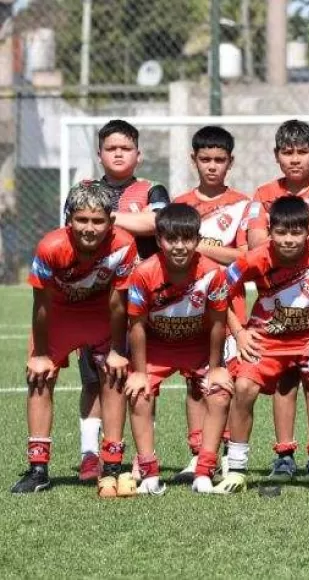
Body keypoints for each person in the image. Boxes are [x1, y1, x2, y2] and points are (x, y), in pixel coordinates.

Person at [210, 196, 309, 495]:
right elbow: (218, 291)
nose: (288, 240)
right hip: (266, 340)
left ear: (308, 232)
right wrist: (238, 332)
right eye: (281, 232)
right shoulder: (254, 259)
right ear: (269, 230)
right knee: (243, 389)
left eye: (296, 233)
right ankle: (237, 470)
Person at [12, 181, 136, 495]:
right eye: (82, 220)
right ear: (69, 219)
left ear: (111, 221)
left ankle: (111, 464)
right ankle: (38, 468)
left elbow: (119, 303)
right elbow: (40, 305)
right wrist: (40, 354)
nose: (89, 228)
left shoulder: (124, 244)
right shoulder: (50, 246)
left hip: (100, 314)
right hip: (59, 315)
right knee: (39, 377)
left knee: (114, 375)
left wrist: (118, 350)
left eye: (98, 221)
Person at [72, 119, 170, 482]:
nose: (118, 153)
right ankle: (89, 453)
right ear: (100, 154)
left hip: (141, 301)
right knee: (95, 380)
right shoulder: (84, 189)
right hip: (95, 300)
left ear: (138, 155)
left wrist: (107, 218)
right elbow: (75, 228)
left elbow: (159, 223)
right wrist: (127, 221)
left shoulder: (151, 189)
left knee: (141, 378)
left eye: (125, 148)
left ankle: (139, 456)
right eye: (111, 148)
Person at [122, 204, 232, 496]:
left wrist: (217, 367)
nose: (180, 246)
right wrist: (140, 372)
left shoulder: (214, 273)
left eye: (187, 239)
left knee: (219, 392)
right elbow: (136, 325)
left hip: (197, 344)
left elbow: (219, 323)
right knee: (138, 392)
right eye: (172, 239)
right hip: (157, 346)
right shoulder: (143, 273)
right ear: (159, 240)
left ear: (198, 240)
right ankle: (148, 473)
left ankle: (205, 471)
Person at [249, 119, 309, 478]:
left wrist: (290, 237)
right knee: (284, 380)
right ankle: (284, 453)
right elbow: (256, 245)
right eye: (288, 152)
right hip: (274, 304)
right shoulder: (264, 193)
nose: (295, 159)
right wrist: (306, 234)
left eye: (302, 152)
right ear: (276, 155)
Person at [172, 125, 252, 482]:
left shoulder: (244, 205)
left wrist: (199, 247)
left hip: (230, 305)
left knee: (228, 382)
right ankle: (198, 454)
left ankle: (229, 455)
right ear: (194, 160)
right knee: (195, 380)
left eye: (220, 159)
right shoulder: (180, 205)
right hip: (189, 306)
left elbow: (245, 257)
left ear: (230, 162)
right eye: (205, 159)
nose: (212, 166)